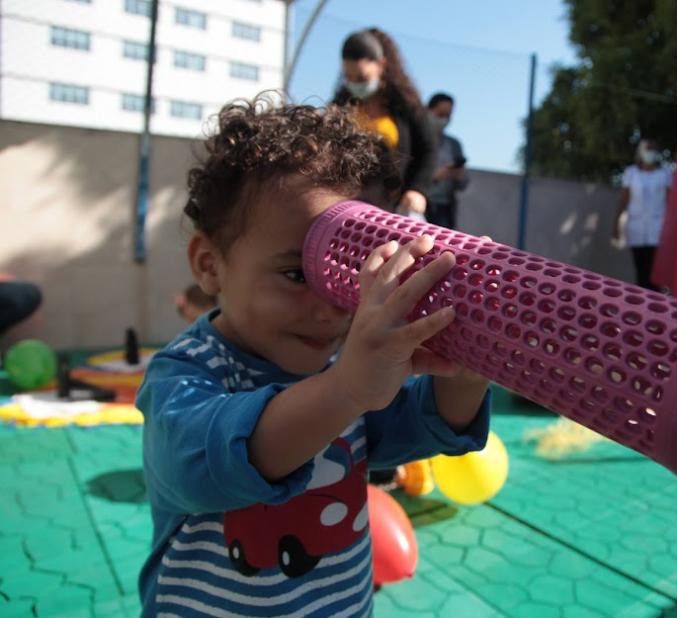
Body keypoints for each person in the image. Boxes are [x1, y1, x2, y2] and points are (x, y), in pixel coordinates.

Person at [136, 97, 491, 616]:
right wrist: (346, 389)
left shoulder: (343, 362)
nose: (329, 307)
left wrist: (466, 368)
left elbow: (422, 425)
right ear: (210, 266)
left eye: (348, 276)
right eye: (298, 274)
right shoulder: (188, 373)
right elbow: (202, 464)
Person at [333, 28, 436, 220]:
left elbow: (428, 147)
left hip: (398, 207)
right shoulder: (339, 106)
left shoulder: (406, 104)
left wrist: (418, 190)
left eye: (362, 78)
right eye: (349, 77)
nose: (355, 84)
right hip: (351, 206)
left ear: (382, 65)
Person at [613, 139, 673, 290]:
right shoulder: (631, 173)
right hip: (636, 228)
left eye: (653, 150)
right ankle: (642, 307)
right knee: (641, 273)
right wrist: (616, 224)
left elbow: (671, 201)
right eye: (647, 149)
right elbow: (624, 200)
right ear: (641, 152)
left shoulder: (664, 173)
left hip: (658, 229)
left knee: (656, 274)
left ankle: (657, 307)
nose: (650, 153)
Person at [424, 92, 469, 229]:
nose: (444, 120)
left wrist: (459, 176)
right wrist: (435, 177)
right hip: (419, 206)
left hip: (444, 211)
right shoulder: (415, 141)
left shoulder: (454, 145)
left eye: (448, 116)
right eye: (440, 114)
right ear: (428, 111)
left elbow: (463, 185)